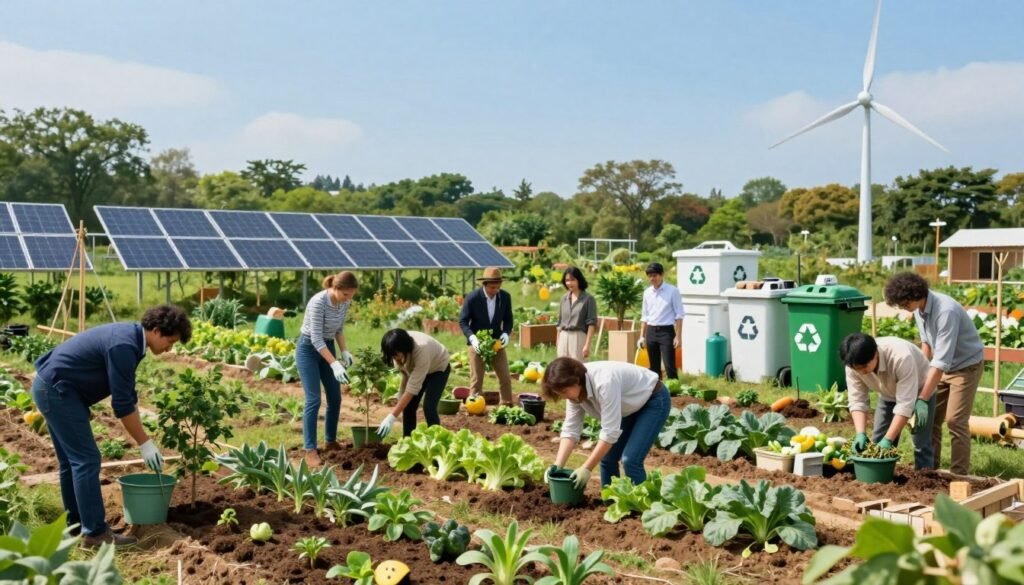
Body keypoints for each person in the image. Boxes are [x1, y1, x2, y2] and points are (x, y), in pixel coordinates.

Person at [32, 304, 191, 547]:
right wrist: (145, 443)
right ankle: (96, 534)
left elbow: (125, 391)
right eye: (170, 341)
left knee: (72, 462)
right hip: (57, 392)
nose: (170, 348)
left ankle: (76, 526)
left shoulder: (131, 339)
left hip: (53, 388)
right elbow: (122, 405)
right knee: (86, 460)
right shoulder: (124, 346)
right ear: (156, 331)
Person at [884, 272, 984, 475]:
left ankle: (958, 474)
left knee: (955, 420)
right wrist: (921, 372)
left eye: (905, 303)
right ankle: (930, 470)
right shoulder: (919, 309)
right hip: (941, 367)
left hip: (966, 367)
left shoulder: (945, 311)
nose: (903, 308)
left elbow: (941, 361)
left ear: (916, 295)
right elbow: (927, 344)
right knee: (930, 419)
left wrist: (922, 397)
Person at [541, 358, 671, 489]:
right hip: (627, 406)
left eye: (564, 392)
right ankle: (610, 500)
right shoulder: (574, 394)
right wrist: (558, 464)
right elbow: (571, 429)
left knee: (631, 460)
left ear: (576, 382)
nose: (563, 396)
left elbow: (609, 433)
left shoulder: (604, 382)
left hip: (653, 399)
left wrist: (586, 468)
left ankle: (644, 501)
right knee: (607, 458)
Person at [840, 333, 935, 469]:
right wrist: (860, 433)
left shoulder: (901, 357)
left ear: (875, 354)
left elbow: (905, 404)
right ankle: (882, 476)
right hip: (888, 394)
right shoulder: (853, 364)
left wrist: (888, 439)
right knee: (878, 442)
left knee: (920, 442)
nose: (861, 372)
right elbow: (857, 400)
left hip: (920, 392)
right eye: (857, 369)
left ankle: (924, 476)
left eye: (864, 367)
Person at [296, 271, 358, 468]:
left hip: (328, 347)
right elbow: (315, 339)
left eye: (351, 295)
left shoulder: (344, 302)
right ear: (335, 288)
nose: (348, 299)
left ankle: (330, 441)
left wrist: (344, 351)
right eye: (346, 294)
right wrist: (334, 363)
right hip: (308, 349)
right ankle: (310, 450)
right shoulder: (318, 302)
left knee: (335, 397)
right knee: (313, 400)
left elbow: (338, 330)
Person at [376, 328, 452, 438]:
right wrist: (400, 395)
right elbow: (406, 375)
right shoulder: (396, 349)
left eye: (395, 355)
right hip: (421, 368)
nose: (394, 358)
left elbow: (412, 389)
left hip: (438, 368)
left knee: (429, 406)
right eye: (392, 355)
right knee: (408, 406)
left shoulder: (421, 350)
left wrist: (392, 417)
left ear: (403, 348)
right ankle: (408, 439)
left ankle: (437, 439)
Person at [459, 266, 514, 405]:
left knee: (505, 377)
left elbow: (508, 320)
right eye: (492, 287)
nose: (496, 290)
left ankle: (506, 404)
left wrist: (506, 333)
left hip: (496, 342)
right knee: (477, 379)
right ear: (485, 284)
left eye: (498, 287)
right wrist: (472, 338)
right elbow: (463, 321)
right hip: (477, 342)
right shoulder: (473, 298)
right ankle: (474, 406)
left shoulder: (505, 297)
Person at [636, 262, 684, 379]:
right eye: (650, 276)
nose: (652, 279)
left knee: (669, 366)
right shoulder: (647, 293)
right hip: (651, 332)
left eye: (655, 275)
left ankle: (674, 389)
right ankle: (658, 388)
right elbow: (645, 316)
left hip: (666, 332)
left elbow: (679, 315)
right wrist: (642, 336)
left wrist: (678, 336)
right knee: (654, 368)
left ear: (662, 275)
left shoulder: (673, 291)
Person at [555, 266, 598, 361]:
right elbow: (560, 322)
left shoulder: (588, 299)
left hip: (578, 337)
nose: (569, 283)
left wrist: (587, 345)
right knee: (562, 367)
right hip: (563, 336)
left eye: (572, 280)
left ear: (579, 280)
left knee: (577, 366)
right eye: (567, 280)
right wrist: (558, 342)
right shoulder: (564, 299)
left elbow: (591, 324)